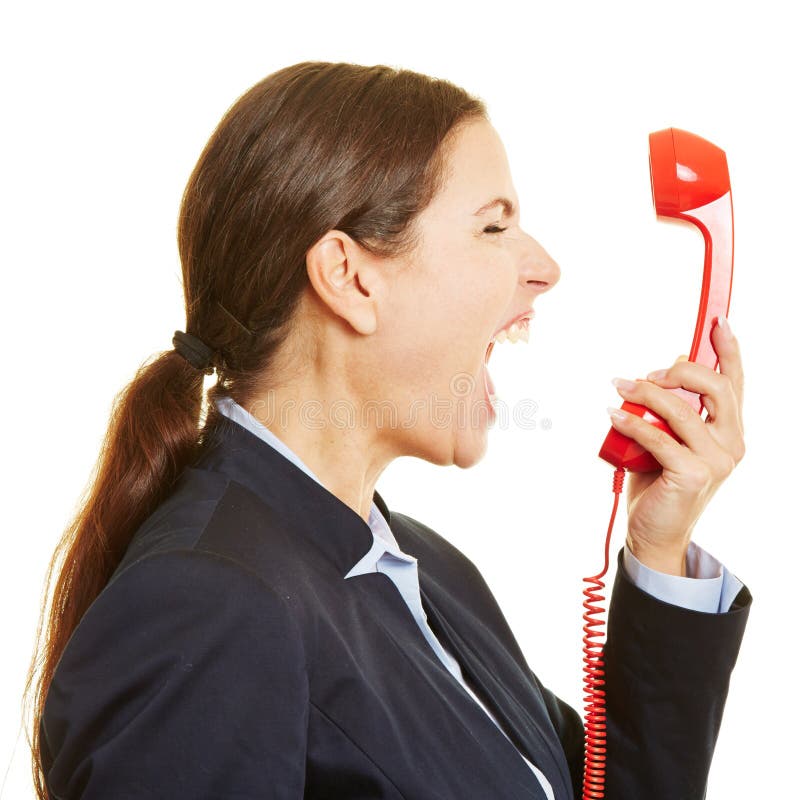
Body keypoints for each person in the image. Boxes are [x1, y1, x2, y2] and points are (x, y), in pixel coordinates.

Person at [24, 61, 750, 800]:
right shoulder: (204, 608)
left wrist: (659, 550)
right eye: (494, 226)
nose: (544, 268)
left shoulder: (428, 571)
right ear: (348, 277)